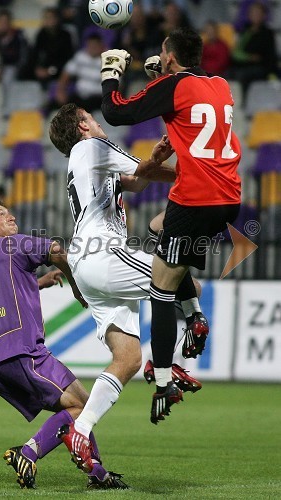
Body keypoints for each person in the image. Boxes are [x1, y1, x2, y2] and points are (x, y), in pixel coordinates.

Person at [49, 103, 204, 471]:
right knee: (184, 279)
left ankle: (81, 431)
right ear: (82, 125)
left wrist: (156, 164)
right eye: (90, 116)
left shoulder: (83, 160)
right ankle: (176, 352)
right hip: (104, 252)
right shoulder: (93, 148)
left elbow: (136, 181)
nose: (98, 121)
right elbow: (142, 170)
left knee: (127, 359)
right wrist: (191, 175)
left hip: (86, 263)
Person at [100, 27, 241, 423]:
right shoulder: (220, 84)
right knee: (159, 229)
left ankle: (163, 381)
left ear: (170, 56)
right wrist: (161, 79)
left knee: (159, 290)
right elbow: (190, 110)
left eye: (162, 54)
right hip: (228, 199)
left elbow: (116, 112)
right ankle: (194, 316)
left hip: (195, 200)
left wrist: (111, 73)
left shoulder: (174, 86)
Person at [0, 199, 128, 490]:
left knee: (78, 404)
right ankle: (26, 452)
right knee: (82, 406)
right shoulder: (12, 244)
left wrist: (38, 283)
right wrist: (77, 286)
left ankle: (97, 473)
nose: (11, 216)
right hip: (22, 350)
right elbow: (56, 251)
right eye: (1, 214)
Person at [47, 33, 106, 115]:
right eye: (90, 46)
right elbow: (66, 73)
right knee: (54, 105)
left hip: (97, 98)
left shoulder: (108, 61)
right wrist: (60, 91)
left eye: (95, 46)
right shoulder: (80, 56)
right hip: (80, 96)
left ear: (101, 46)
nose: (92, 48)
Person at [229, 1, 277, 95]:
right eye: (253, 13)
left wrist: (252, 58)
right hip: (243, 65)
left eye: (258, 13)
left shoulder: (267, 33)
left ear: (263, 15)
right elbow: (239, 51)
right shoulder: (245, 30)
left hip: (260, 67)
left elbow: (266, 56)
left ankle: (244, 104)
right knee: (227, 74)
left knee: (243, 75)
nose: (255, 15)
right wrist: (249, 57)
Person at [26, 7, 74, 90]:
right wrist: (37, 69)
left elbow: (67, 59)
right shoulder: (41, 34)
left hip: (58, 71)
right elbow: (34, 54)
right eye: (45, 18)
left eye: (50, 18)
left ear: (57, 19)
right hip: (44, 70)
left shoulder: (65, 35)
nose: (47, 20)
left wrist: (50, 71)